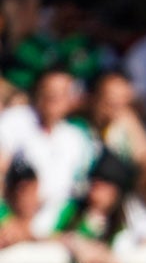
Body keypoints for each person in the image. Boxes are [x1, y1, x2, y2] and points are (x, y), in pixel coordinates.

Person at [0, 67, 98, 237]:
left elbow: (72, 194)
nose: (54, 98)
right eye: (49, 91)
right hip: (9, 224)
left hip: (51, 229)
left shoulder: (77, 138)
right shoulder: (14, 122)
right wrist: (5, 219)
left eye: (62, 93)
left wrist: (39, 230)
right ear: (37, 92)